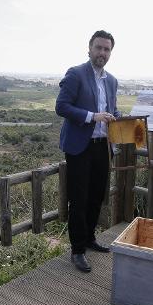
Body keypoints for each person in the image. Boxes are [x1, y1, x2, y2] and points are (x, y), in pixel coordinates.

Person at [55, 30, 121, 272]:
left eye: (107, 49)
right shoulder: (76, 74)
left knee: (96, 196)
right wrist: (92, 117)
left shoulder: (112, 81)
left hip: (103, 148)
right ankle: (77, 250)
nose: (102, 53)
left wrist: (122, 120)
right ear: (89, 49)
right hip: (79, 148)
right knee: (79, 198)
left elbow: (112, 109)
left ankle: (90, 238)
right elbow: (61, 107)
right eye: (99, 48)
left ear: (110, 53)